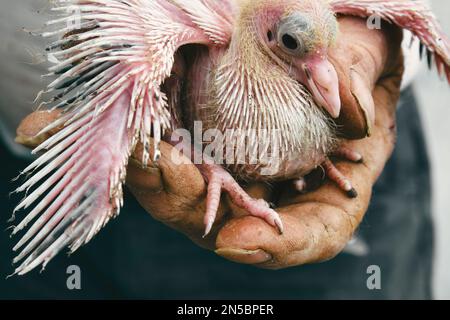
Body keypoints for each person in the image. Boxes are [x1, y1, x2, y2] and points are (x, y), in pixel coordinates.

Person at [0, 1, 433, 299]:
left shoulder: (303, 41)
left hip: (357, 193)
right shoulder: (171, 38)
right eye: (296, 51)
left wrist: (371, 42)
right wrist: (130, 133)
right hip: (73, 156)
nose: (323, 77)